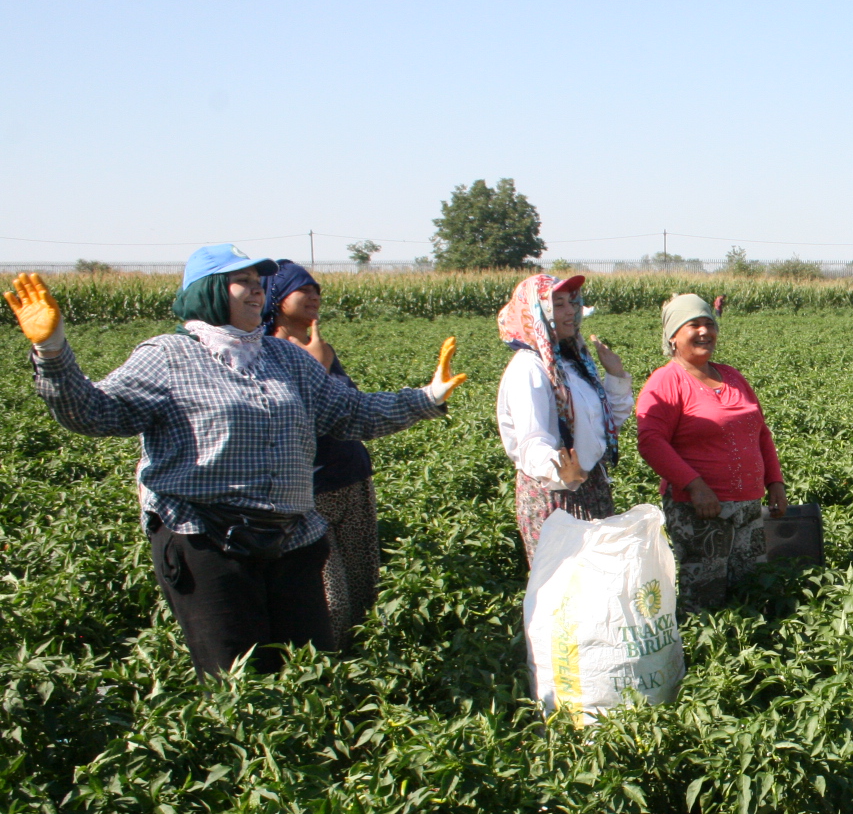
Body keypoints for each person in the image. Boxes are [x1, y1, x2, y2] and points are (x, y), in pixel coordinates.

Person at [7, 247, 465, 675]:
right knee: (236, 676)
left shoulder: (285, 357)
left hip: (292, 540)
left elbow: (351, 413)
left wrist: (426, 397)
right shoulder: (169, 356)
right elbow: (93, 412)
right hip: (206, 541)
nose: (257, 288)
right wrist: (53, 352)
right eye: (241, 281)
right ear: (207, 291)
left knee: (306, 671)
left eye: (259, 281)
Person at [636, 293, 785, 612]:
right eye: (693, 325)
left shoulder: (731, 376)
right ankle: (704, 658)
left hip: (748, 506)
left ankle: (748, 658)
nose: (704, 331)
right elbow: (651, 441)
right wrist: (695, 485)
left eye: (709, 323)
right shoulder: (665, 382)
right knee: (704, 598)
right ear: (673, 336)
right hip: (702, 510)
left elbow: (760, 432)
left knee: (750, 590)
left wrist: (775, 483)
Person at [262, 260, 378, 648]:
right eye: (303, 289)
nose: (313, 296)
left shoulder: (321, 347)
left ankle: (362, 663)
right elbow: (283, 421)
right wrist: (316, 367)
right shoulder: (268, 352)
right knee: (330, 596)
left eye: (317, 289)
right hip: (308, 491)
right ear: (277, 298)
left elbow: (351, 407)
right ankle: (327, 675)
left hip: (350, 477)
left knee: (365, 584)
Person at [495, 273, 633, 563]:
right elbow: (531, 442)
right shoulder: (529, 369)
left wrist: (616, 375)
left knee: (598, 585)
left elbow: (606, 425)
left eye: (571, 302)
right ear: (535, 312)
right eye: (558, 305)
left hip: (589, 483)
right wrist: (560, 472)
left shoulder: (570, 363)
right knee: (567, 592)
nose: (571, 311)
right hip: (557, 495)